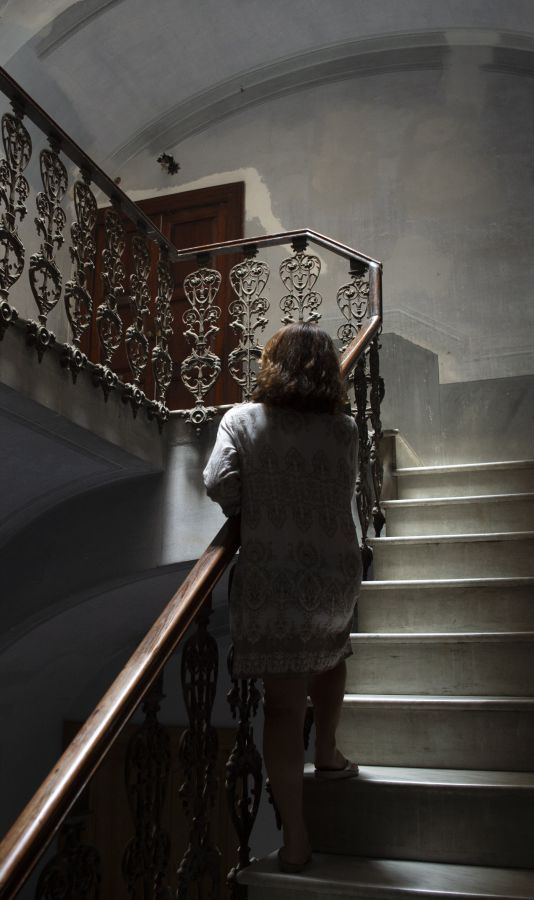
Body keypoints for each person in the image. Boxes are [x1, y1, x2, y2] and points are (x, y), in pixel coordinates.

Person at [202, 321, 362, 873]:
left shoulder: (242, 420)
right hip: (334, 571)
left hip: (275, 577)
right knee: (333, 654)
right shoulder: (344, 429)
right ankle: (329, 753)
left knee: (284, 708)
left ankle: (295, 838)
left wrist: (255, 505)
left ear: (273, 364)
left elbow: (218, 481)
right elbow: (347, 489)